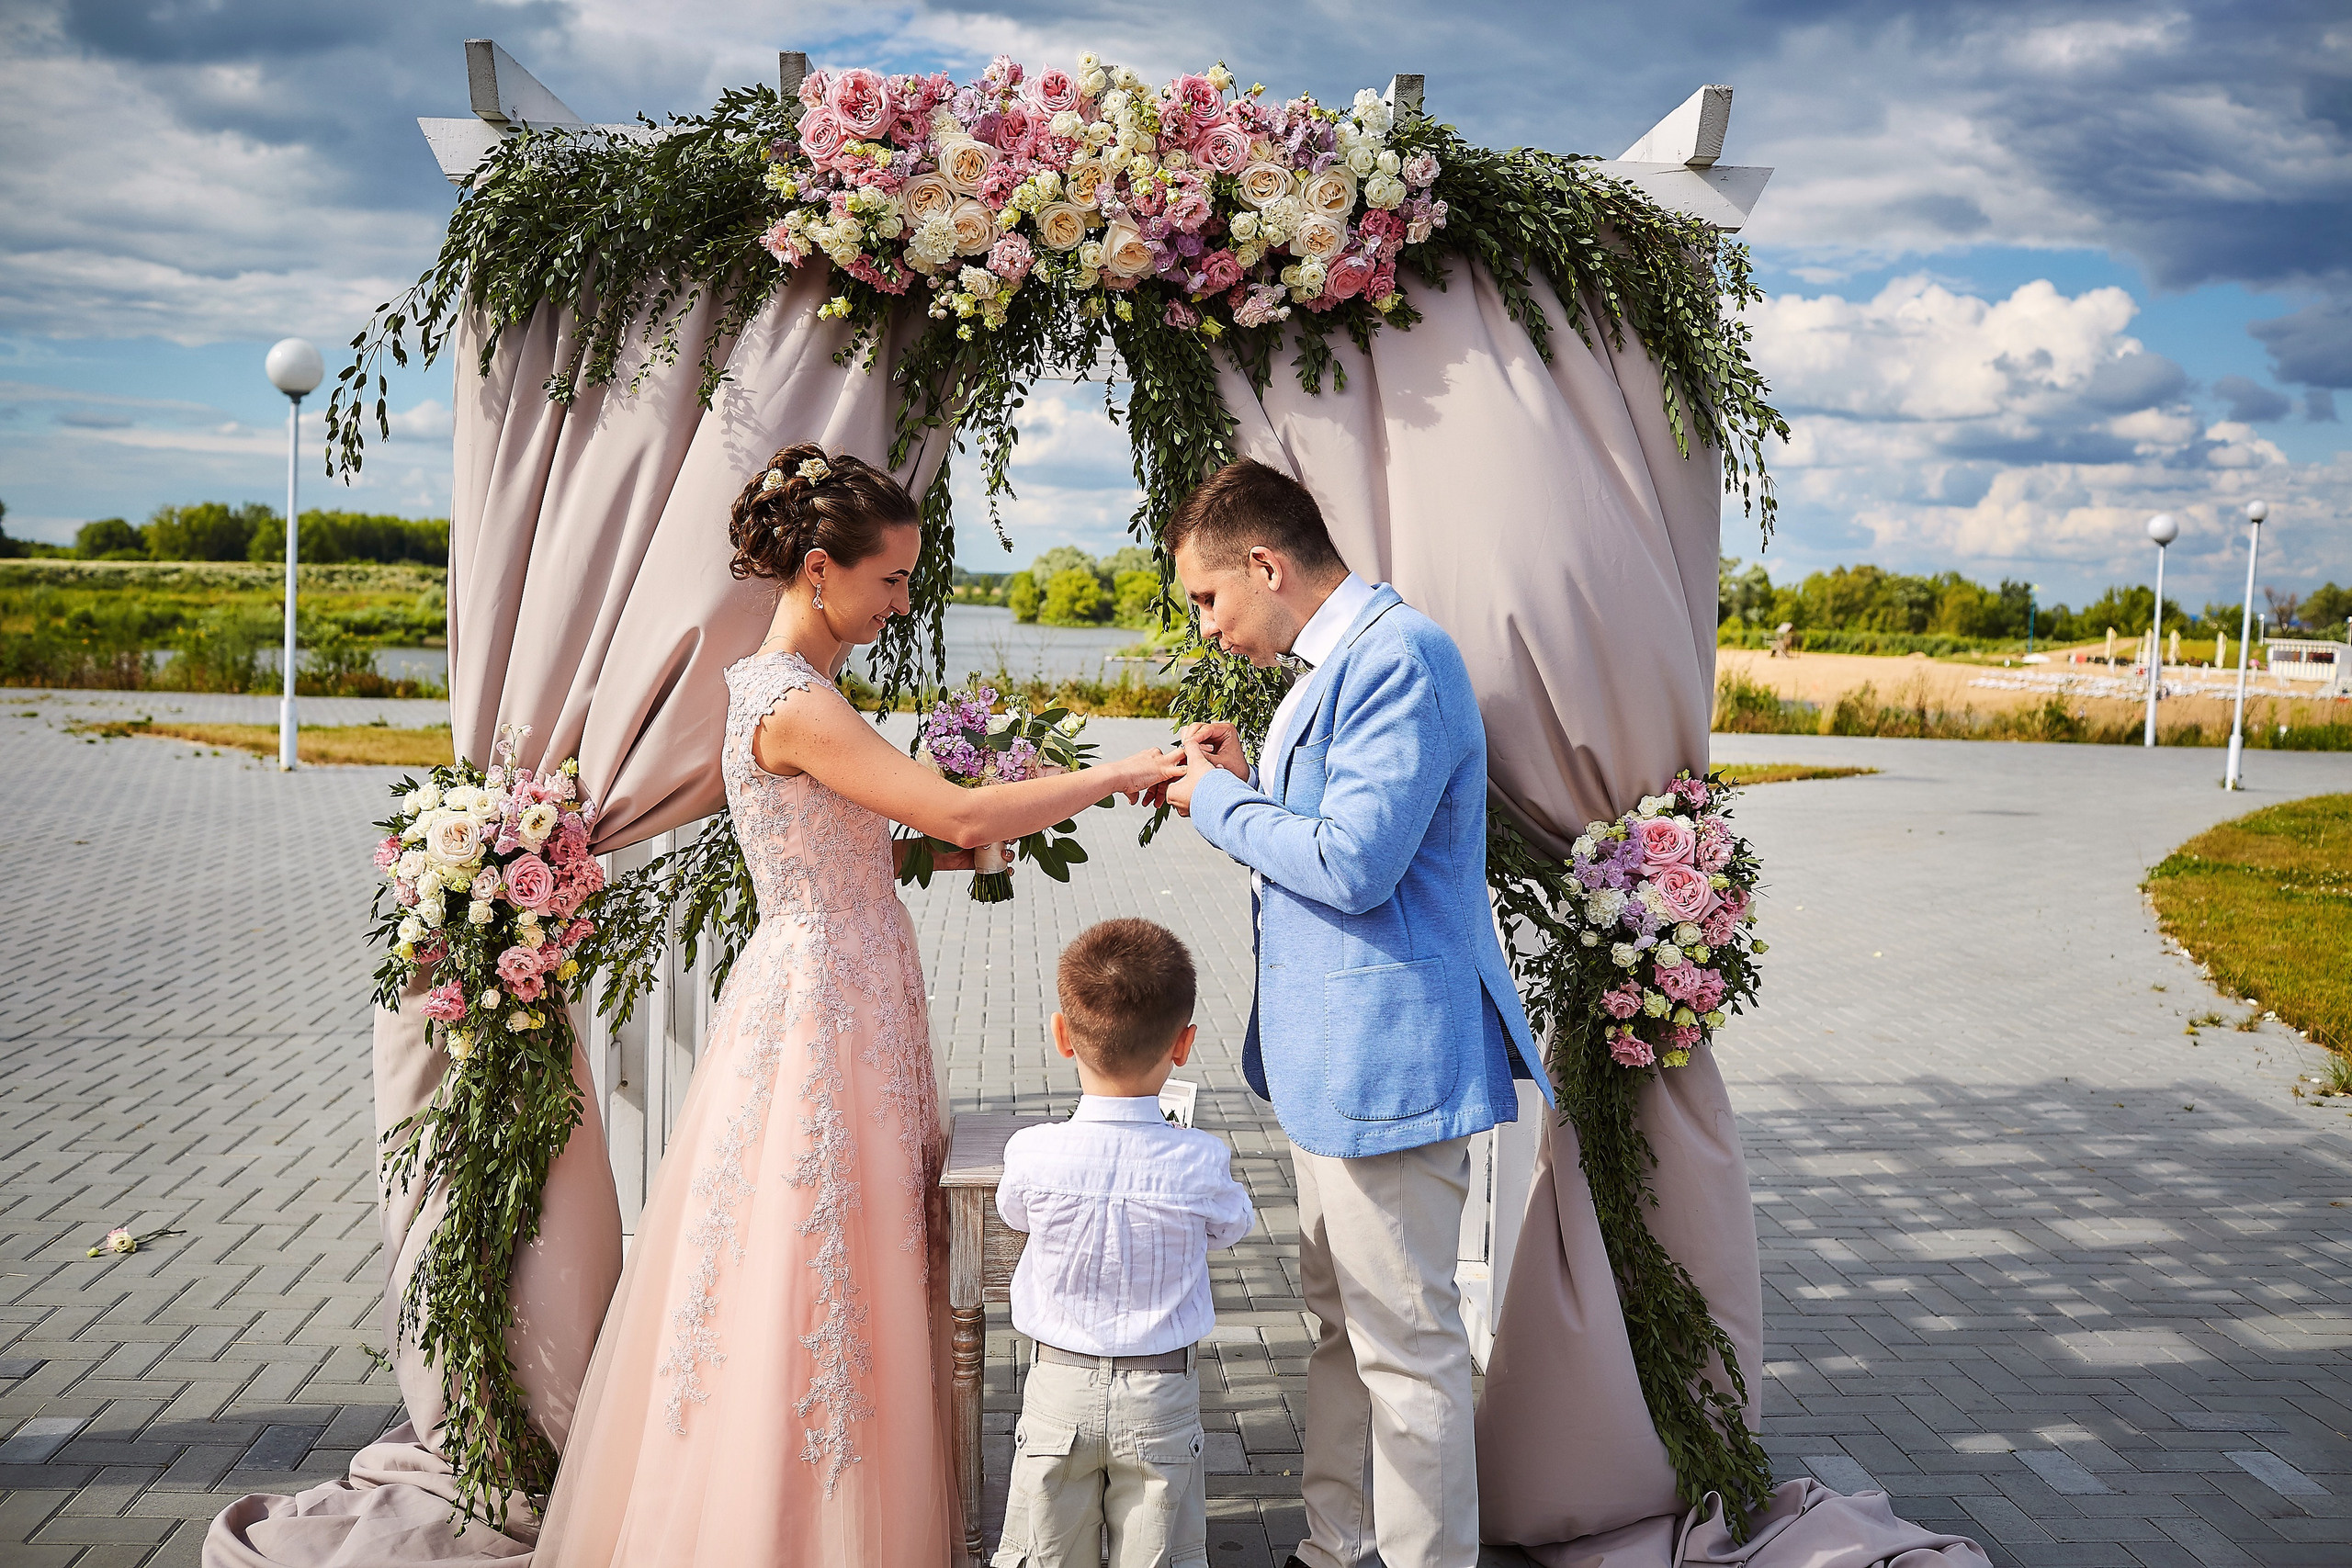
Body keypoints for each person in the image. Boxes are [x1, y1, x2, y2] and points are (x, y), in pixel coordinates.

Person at [536, 446, 1186, 1566]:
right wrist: (1124, 771)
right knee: (809, 1252)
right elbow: (966, 813)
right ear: (821, 568)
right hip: (821, 1006)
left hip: (854, 981)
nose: (900, 601)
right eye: (890, 581)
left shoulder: (796, 691)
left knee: (853, 1249)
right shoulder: (790, 701)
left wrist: (928, 852)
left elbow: (867, 843)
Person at [1159, 459, 1545, 1568]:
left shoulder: (1402, 658)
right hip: (1329, 1066)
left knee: (1408, 1346)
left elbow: (1355, 864)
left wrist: (1217, 803)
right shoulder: (1337, 663)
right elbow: (1335, 832)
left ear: (1267, 565)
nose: (1206, 628)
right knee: (1346, 1329)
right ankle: (1334, 1545)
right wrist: (1250, 784)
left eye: (1207, 599)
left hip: (1389, 1062)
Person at [990, 918, 1255, 1568]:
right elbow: (1234, 1224)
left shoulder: (1033, 1152)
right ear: (1184, 1043)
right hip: (1161, 1392)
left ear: (1061, 1034)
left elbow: (1012, 1209)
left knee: (1045, 1554)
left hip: (1058, 1386)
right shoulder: (1199, 1159)